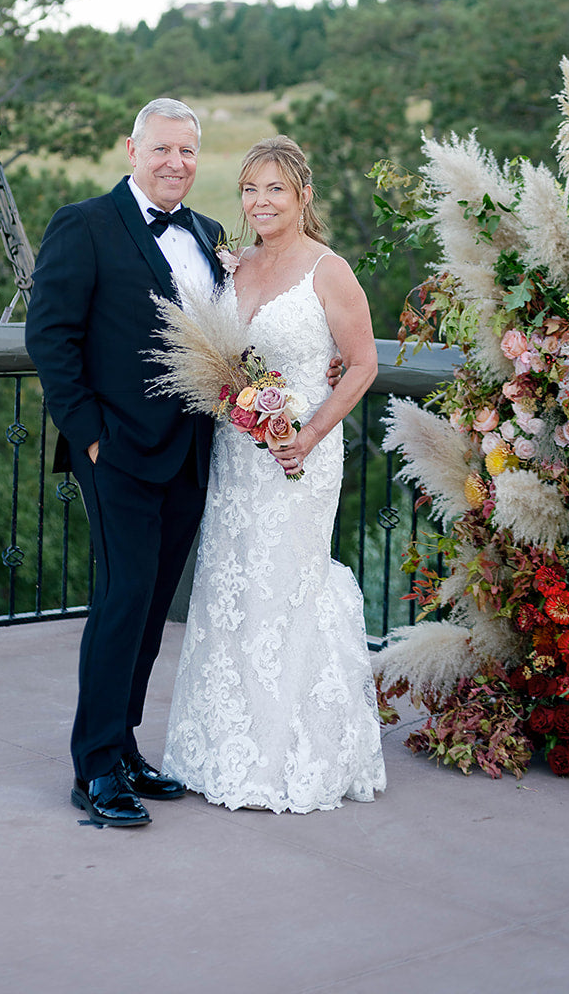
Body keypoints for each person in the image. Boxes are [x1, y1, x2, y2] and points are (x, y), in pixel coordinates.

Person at [162, 135, 387, 813]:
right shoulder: (231, 268)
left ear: (303, 196)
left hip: (303, 458)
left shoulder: (329, 270)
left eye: (275, 190)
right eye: (250, 190)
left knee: (287, 585)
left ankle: (290, 754)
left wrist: (312, 434)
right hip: (236, 456)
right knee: (232, 585)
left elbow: (364, 363)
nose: (260, 202)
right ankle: (218, 747)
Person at [26, 98, 227, 829]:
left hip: (192, 453)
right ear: (132, 150)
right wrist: (90, 439)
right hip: (118, 452)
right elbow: (49, 337)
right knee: (122, 601)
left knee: (150, 609)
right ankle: (95, 767)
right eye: (162, 149)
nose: (176, 162)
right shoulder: (84, 224)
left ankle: (126, 743)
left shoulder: (209, 235)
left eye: (188, 151)